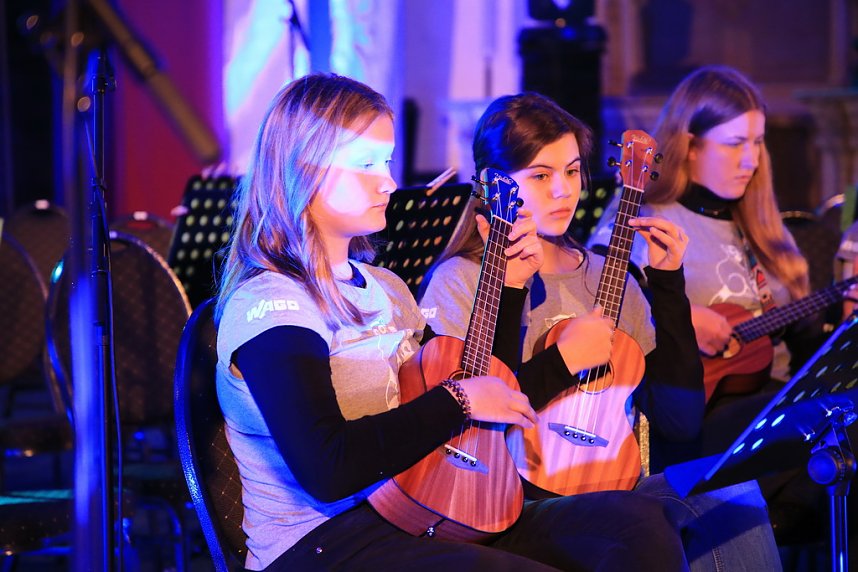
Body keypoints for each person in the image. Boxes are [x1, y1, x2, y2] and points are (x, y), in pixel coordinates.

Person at [214, 73, 689, 571]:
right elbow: (328, 468)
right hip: (323, 544)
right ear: (302, 170)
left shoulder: (388, 288)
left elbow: (485, 394)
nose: (390, 182)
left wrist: (507, 289)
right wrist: (457, 401)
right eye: (365, 165)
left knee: (639, 526)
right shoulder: (273, 304)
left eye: (388, 161)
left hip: (424, 511)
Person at [420, 91, 782, 571]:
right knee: (637, 521)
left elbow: (680, 423)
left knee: (731, 497)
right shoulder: (459, 280)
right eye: (540, 176)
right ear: (496, 185)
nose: (562, 191)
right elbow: (463, 430)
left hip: (616, 481)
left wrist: (669, 286)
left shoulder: (608, 276)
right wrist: (561, 359)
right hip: (513, 496)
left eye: (572, 171)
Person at [586, 65, 841, 546]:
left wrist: (837, 319)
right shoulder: (650, 217)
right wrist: (677, 314)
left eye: (758, 142)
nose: (751, 159)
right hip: (699, 419)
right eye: (734, 143)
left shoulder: (763, 230)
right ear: (691, 145)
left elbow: (807, 348)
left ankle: (782, 523)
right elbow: (601, 301)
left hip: (777, 400)